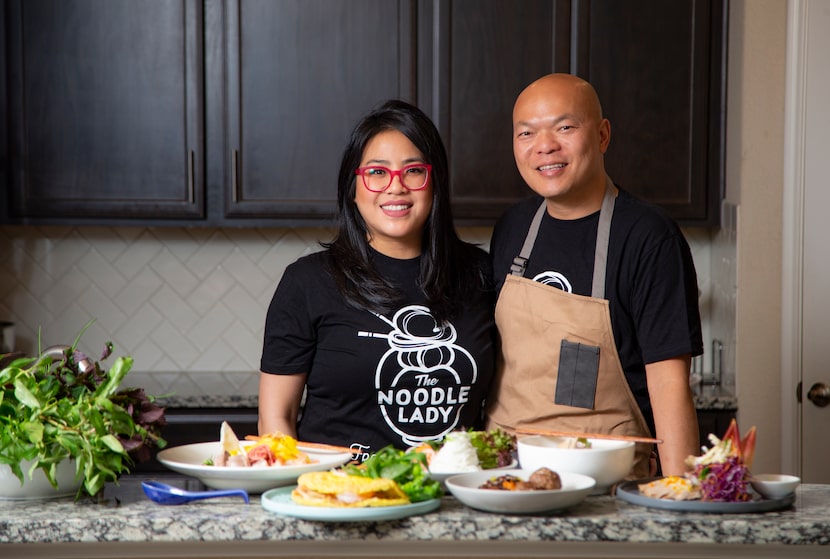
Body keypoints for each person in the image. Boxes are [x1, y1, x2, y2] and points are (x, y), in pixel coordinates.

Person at [486, 73, 702, 478]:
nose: (545, 146)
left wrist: (681, 498)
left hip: (605, 483)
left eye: (564, 127)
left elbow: (670, 390)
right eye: (526, 133)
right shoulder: (512, 227)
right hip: (504, 479)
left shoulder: (648, 237)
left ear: (602, 135)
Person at [258, 99, 496, 462]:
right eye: (377, 172)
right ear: (353, 188)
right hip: (341, 497)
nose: (396, 186)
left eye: (413, 170)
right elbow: (277, 418)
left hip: (453, 495)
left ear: (435, 183)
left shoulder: (482, 274)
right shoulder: (307, 282)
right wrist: (310, 490)